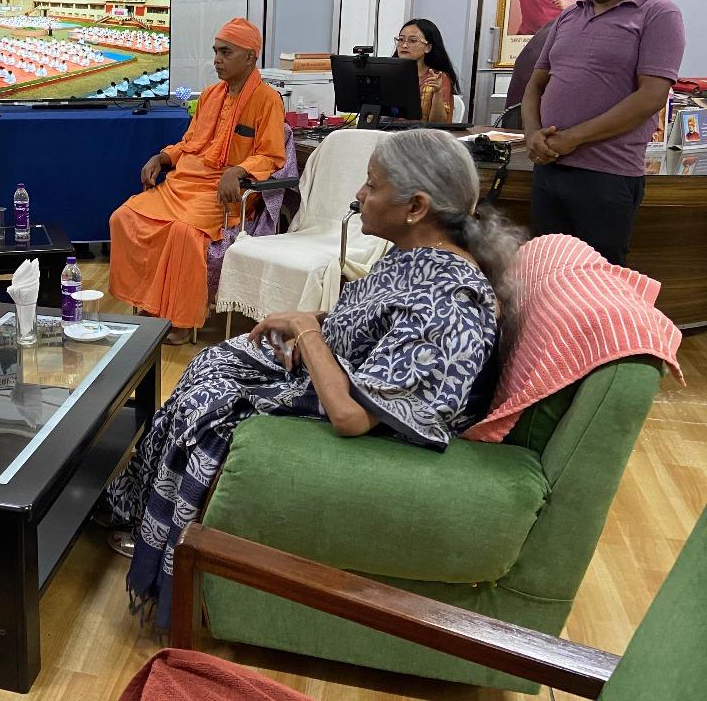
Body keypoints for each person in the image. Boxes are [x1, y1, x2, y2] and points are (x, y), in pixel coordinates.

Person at [105, 129, 518, 628]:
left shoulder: (452, 302)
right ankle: (137, 502)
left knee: (211, 402)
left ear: (416, 207)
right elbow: (373, 322)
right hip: (335, 373)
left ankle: (158, 532)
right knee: (215, 362)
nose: (358, 196)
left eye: (371, 185)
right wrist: (315, 319)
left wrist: (305, 331)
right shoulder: (417, 256)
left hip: (352, 412)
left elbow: (352, 416)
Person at [109, 18, 287, 345]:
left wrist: (237, 170)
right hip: (184, 182)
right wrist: (161, 158)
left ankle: (179, 320)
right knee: (124, 217)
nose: (217, 59)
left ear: (250, 57)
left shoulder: (268, 100)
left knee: (184, 232)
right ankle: (148, 306)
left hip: (223, 193)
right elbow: (189, 143)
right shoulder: (209, 95)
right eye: (215, 52)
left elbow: (272, 155)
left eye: (225, 52)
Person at [522, 0, 684, 265]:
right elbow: (536, 84)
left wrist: (574, 137)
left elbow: (651, 97)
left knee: (598, 285)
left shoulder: (658, 14)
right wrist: (533, 133)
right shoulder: (570, 14)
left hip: (607, 177)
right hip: (550, 169)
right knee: (545, 274)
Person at [395, 18, 460, 123]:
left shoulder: (438, 78)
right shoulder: (389, 74)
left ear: (428, 48)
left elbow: (438, 124)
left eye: (413, 40)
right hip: (387, 135)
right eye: (401, 39)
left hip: (423, 136)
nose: (404, 45)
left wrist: (438, 92)